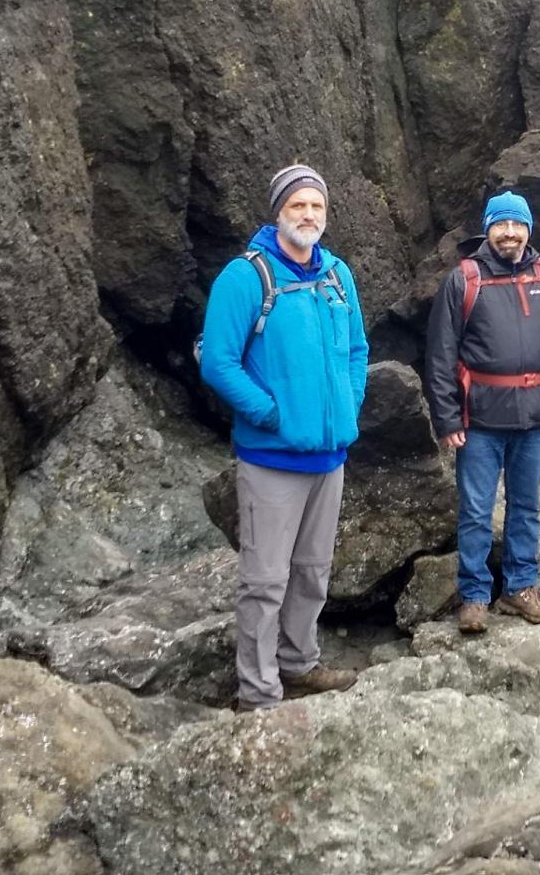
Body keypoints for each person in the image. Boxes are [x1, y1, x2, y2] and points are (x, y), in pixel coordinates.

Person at [200, 164, 368, 712]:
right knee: (264, 580)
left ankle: (298, 665)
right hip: (271, 458)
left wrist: (348, 403)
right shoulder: (245, 277)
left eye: (316, 206)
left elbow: (359, 352)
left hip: (329, 455)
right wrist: (269, 414)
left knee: (314, 572)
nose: (309, 215)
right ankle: (258, 692)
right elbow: (219, 361)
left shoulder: (338, 275)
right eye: (298, 205)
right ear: (278, 213)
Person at [424, 191, 540, 634]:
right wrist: (448, 419)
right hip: (479, 421)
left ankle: (520, 588)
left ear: (529, 230)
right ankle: (475, 595)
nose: (510, 233)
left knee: (527, 506)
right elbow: (441, 355)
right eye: (501, 225)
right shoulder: (464, 280)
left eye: (518, 225)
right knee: (476, 509)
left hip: (536, 418)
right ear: (488, 229)